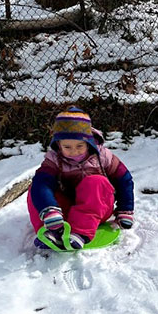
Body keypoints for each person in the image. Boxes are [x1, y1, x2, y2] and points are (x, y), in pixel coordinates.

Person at [27, 106, 134, 250]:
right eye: (67, 147)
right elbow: (42, 184)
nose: (74, 151)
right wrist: (49, 209)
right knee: (35, 188)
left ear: (88, 142)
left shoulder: (102, 156)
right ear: (58, 144)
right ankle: (52, 230)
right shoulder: (54, 160)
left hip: (97, 205)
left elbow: (124, 179)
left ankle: (80, 233)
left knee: (96, 181)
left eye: (79, 146)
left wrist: (125, 210)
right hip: (68, 208)